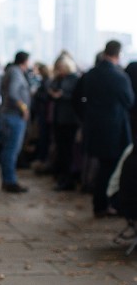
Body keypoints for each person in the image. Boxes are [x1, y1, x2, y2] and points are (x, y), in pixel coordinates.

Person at [80, 40, 134, 217]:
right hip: (114, 129)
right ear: (118, 55)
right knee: (109, 169)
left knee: (103, 166)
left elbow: (78, 99)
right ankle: (102, 204)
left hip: (94, 127)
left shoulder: (90, 74)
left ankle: (100, 203)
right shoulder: (119, 77)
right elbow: (129, 101)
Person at [0, 51, 31, 193]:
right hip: (14, 116)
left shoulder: (11, 71)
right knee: (11, 149)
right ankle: (10, 181)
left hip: (9, 115)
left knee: (8, 149)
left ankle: (7, 179)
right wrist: (23, 107)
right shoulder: (16, 73)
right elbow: (13, 93)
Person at [48, 53, 80, 191]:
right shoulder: (59, 79)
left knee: (67, 151)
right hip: (59, 118)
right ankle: (62, 176)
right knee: (61, 149)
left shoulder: (74, 79)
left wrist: (62, 95)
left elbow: (76, 97)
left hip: (69, 120)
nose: (59, 70)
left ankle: (68, 179)